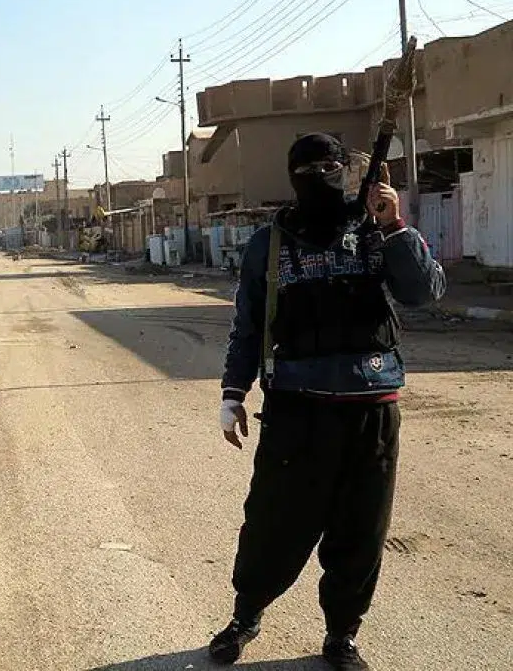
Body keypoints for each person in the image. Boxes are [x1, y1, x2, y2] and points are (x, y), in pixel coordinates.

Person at [210, 133, 446, 670]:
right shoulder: (269, 244)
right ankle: (246, 615)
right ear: (291, 178)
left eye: (328, 167)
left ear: (344, 170)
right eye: (307, 170)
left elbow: (424, 292)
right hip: (297, 408)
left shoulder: (376, 230)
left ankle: (342, 635)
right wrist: (232, 393)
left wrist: (393, 223)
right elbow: (248, 325)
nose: (318, 177)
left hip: (372, 407)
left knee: (360, 531)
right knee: (273, 525)